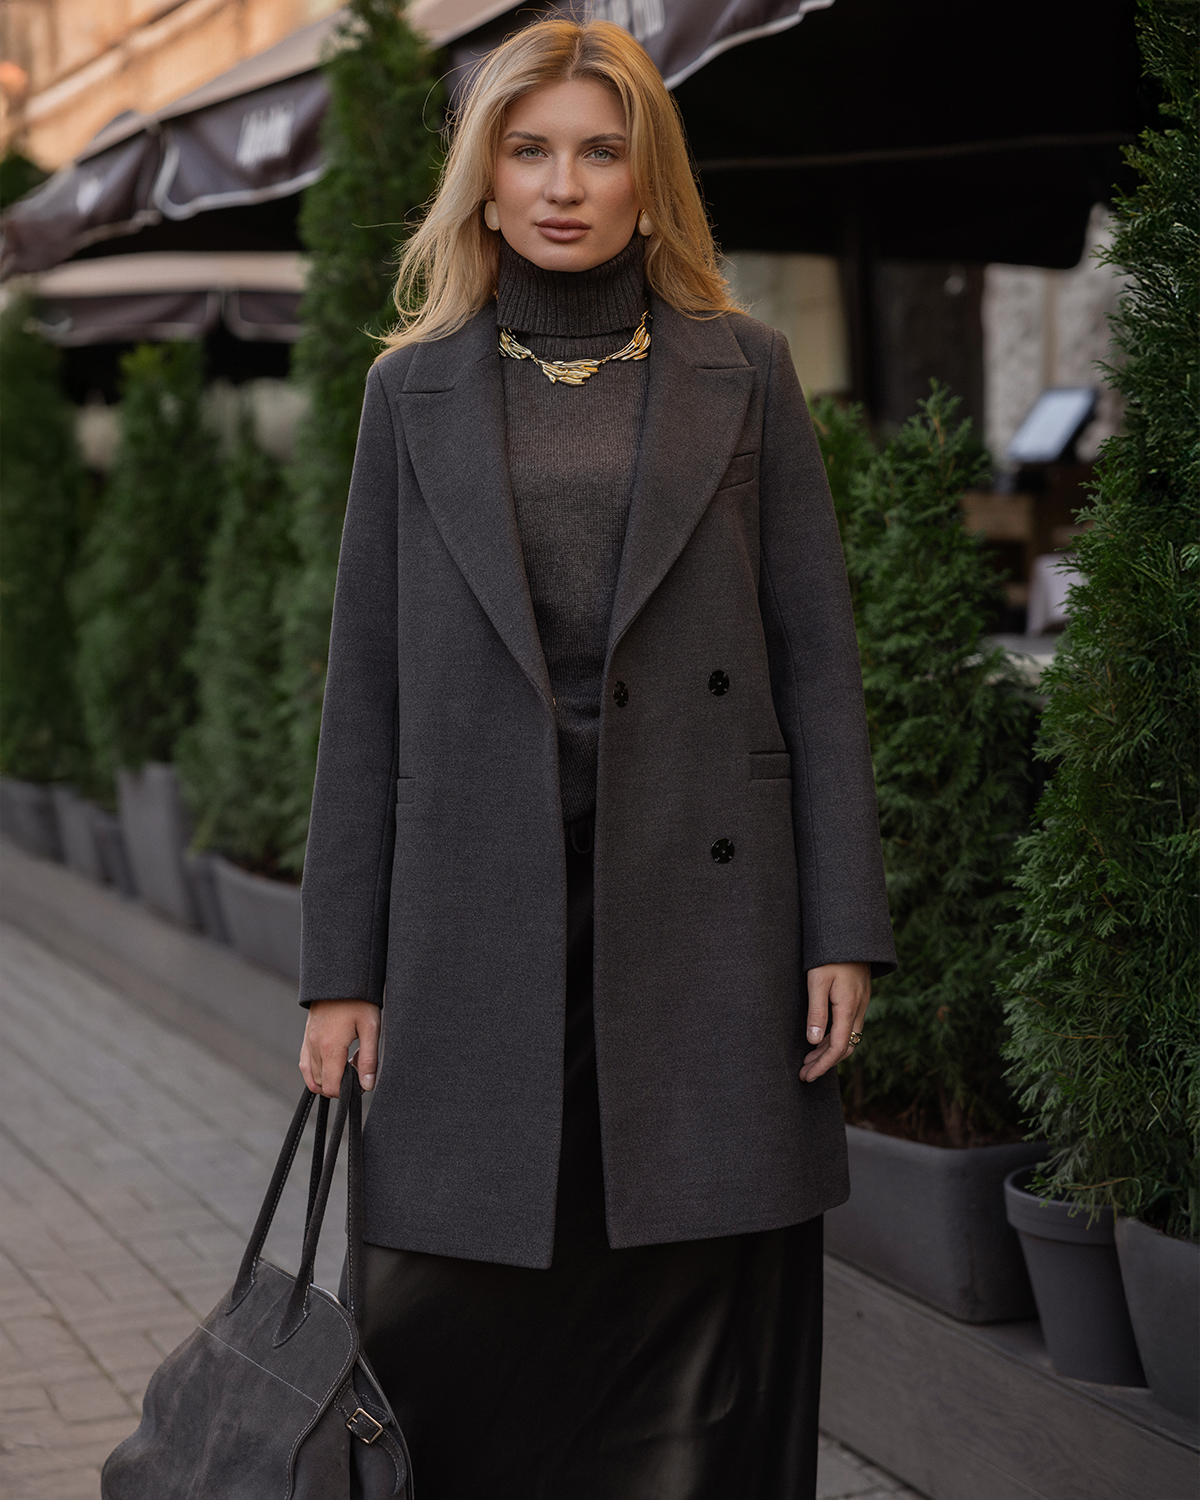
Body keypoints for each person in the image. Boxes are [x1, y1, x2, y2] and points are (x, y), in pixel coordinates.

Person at [297, 17, 895, 1499]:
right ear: (485, 180)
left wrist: (841, 927)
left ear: (648, 180)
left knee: (698, 1319)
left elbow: (817, 664)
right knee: (450, 1324)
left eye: (599, 152)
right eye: (529, 150)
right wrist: (338, 971)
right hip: (475, 923)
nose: (563, 185)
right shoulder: (412, 392)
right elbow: (364, 693)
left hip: (703, 917)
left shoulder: (746, 372)